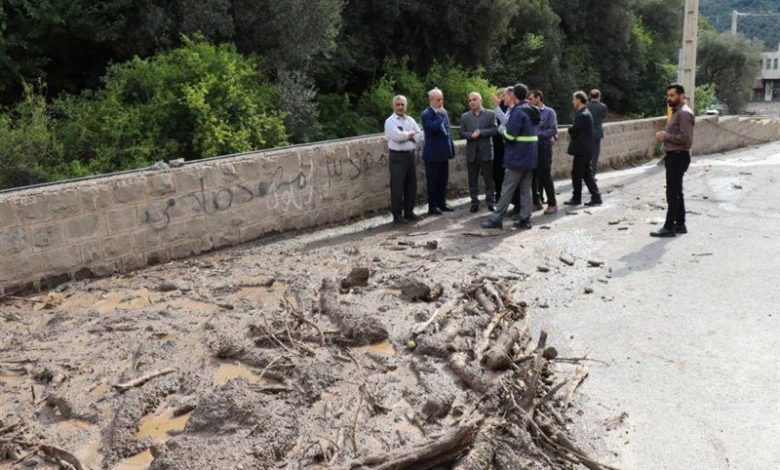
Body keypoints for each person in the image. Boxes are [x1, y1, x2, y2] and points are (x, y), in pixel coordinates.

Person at [481, 83, 538, 230]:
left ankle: (496, 219)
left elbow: (510, 136)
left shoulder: (517, 112)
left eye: (506, 94)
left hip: (516, 158)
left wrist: (501, 129)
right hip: (529, 157)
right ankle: (525, 219)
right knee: (526, 190)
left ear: (513, 95)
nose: (505, 97)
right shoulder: (532, 109)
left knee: (507, 189)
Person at [651, 83, 695, 237]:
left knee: (672, 193)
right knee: (677, 192)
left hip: (678, 156)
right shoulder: (677, 112)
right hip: (674, 155)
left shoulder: (683, 113)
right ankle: (680, 224)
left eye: (672, 95)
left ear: (681, 96)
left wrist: (666, 136)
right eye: (668, 95)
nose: (669, 98)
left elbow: (686, 138)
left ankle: (669, 227)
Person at [384, 95, 424, 224]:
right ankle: (397, 215)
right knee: (397, 187)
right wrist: (410, 134)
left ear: (406, 106)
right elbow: (397, 137)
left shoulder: (410, 120)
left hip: (410, 155)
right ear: (394, 106)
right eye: (398, 104)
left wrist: (406, 135)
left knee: (411, 185)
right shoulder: (390, 121)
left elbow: (420, 136)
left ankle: (409, 212)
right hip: (397, 157)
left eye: (402, 104)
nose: (400, 107)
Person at [460, 92, 498, 212]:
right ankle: (474, 202)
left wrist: (481, 132)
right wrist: (471, 135)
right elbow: (462, 132)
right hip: (472, 153)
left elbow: (495, 129)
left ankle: (490, 202)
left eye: (474, 99)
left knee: (488, 179)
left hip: (486, 151)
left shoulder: (490, 114)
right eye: (470, 100)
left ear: (480, 100)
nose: (472, 102)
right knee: (472, 180)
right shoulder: (465, 116)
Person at [421, 88, 455, 215]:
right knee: (433, 181)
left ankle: (442, 203)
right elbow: (433, 129)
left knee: (443, 180)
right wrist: (440, 116)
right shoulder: (426, 114)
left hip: (444, 153)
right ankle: (432, 206)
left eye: (442, 99)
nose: (441, 102)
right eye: (438, 99)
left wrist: (451, 149)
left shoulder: (444, 112)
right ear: (431, 100)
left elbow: (448, 132)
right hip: (432, 154)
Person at [565, 91, 602, 206]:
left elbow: (574, 130)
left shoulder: (582, 115)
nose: (572, 102)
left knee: (576, 174)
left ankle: (577, 198)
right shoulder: (585, 113)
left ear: (579, 100)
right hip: (586, 149)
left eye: (574, 99)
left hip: (582, 150)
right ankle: (596, 197)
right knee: (586, 174)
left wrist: (570, 129)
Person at [528, 90, 558, 214]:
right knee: (532, 176)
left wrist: (537, 135)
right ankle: (536, 202)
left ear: (538, 98)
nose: (529, 101)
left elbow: (553, 130)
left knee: (545, 176)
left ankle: (552, 203)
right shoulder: (528, 112)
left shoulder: (549, 112)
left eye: (531, 99)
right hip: (532, 148)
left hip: (544, 147)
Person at [586, 89, 607, 176]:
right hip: (597, 133)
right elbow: (603, 117)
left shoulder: (586, 106)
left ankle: (585, 173)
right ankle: (592, 174)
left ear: (590, 96)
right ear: (599, 96)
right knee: (595, 155)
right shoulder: (603, 107)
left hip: (587, 133)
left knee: (586, 154)